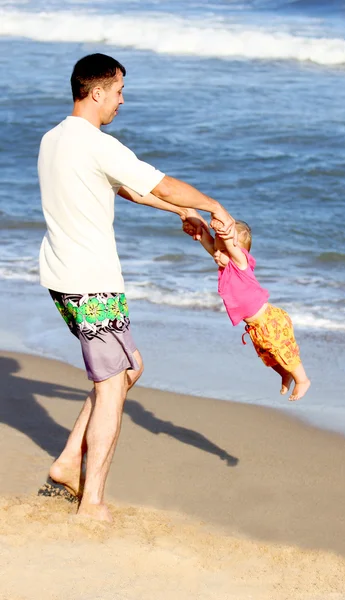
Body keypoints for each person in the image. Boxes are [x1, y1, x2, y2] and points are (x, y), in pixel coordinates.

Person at [37, 53, 235, 522]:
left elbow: (124, 187)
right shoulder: (96, 143)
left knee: (129, 368)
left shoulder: (54, 139)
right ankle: (93, 503)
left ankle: (67, 463)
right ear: (98, 91)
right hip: (92, 285)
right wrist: (212, 206)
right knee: (111, 386)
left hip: (63, 279)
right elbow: (161, 183)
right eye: (119, 91)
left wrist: (179, 213)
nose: (122, 100)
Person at [182, 220, 311, 401]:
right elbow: (212, 245)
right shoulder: (225, 263)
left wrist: (224, 232)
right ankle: (285, 373)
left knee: (282, 349)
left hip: (269, 320)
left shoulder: (241, 263)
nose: (217, 254)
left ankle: (302, 379)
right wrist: (202, 235)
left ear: (236, 249)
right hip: (255, 327)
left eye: (223, 250)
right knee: (267, 355)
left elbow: (231, 248)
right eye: (217, 251)